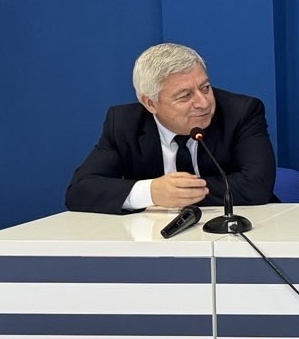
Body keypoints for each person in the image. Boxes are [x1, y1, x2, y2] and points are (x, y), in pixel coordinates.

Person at [66, 43, 276, 214]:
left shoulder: (240, 112)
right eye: (185, 95)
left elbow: (256, 185)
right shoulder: (124, 123)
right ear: (150, 103)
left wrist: (178, 194)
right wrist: (151, 192)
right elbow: (80, 190)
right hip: (154, 237)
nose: (203, 102)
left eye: (205, 87)